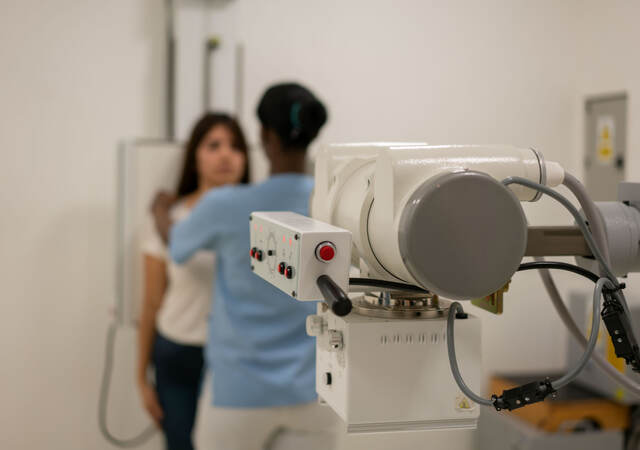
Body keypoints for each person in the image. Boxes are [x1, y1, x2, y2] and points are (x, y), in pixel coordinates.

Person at [155, 82, 340, 450]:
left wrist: (158, 209)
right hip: (314, 392)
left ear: (264, 136)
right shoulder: (333, 203)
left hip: (237, 395)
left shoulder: (225, 205)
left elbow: (175, 243)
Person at [137, 112, 250, 450]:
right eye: (213, 145)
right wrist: (140, 378)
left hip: (238, 357)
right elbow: (152, 302)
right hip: (179, 353)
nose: (225, 155)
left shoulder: (264, 220)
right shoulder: (169, 219)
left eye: (235, 146)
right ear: (195, 156)